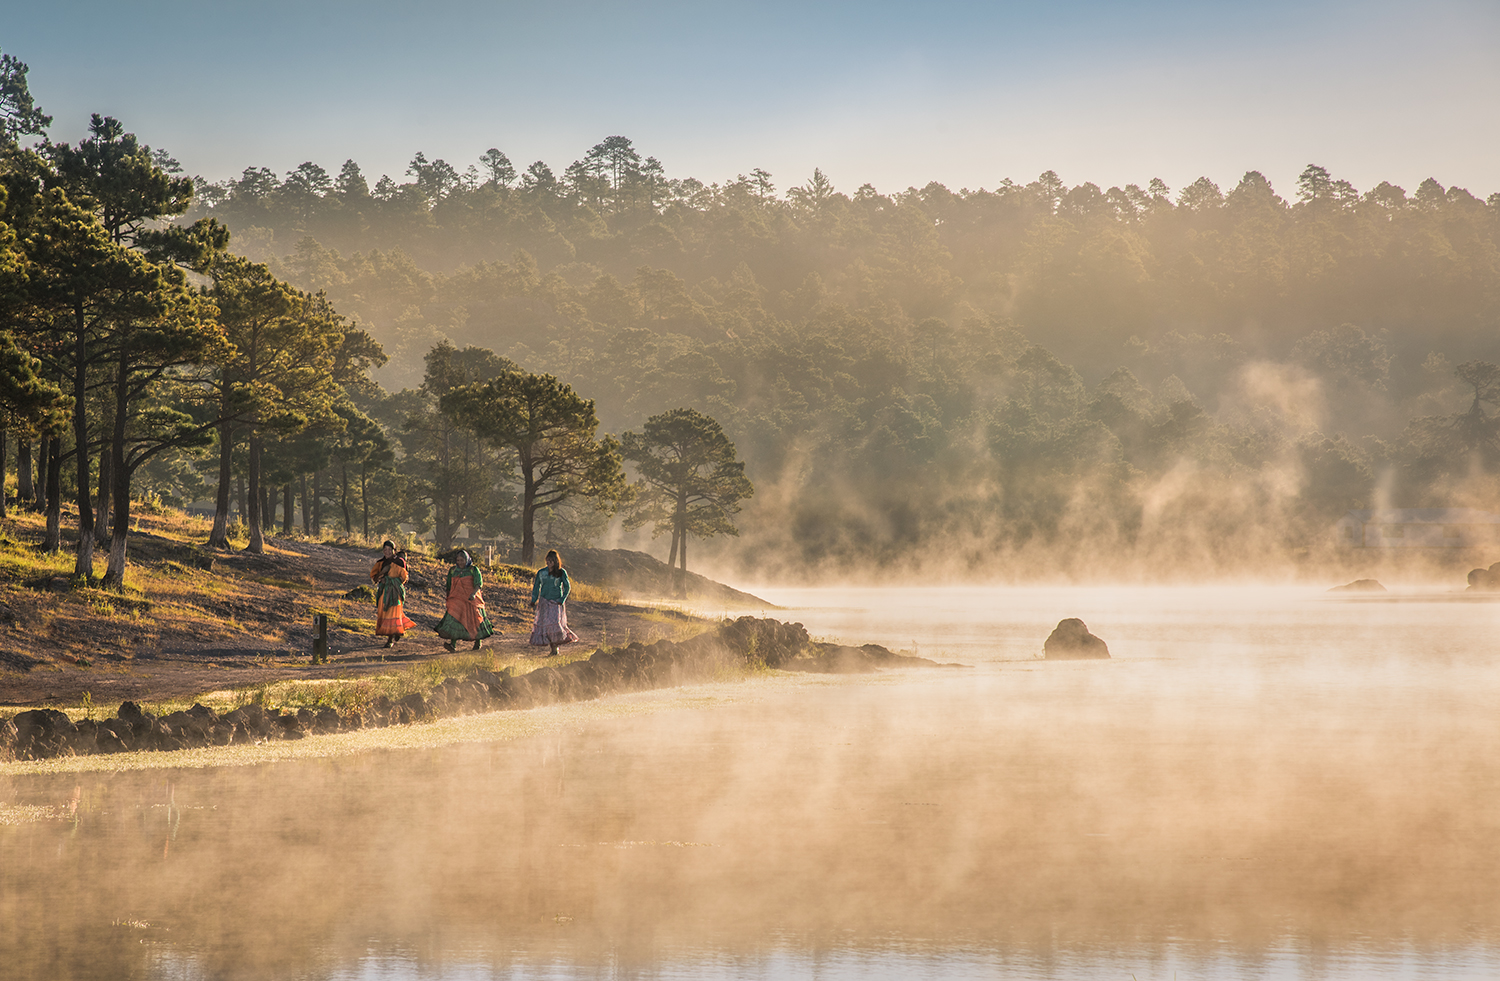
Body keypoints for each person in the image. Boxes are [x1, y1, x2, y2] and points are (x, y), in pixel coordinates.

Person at [435, 549, 495, 652]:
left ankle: (478, 642)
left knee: (475, 621)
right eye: (458, 560)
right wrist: (449, 597)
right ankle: (452, 645)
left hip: (471, 600)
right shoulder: (453, 570)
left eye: (462, 560)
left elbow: (478, 584)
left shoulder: (473, 570)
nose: (460, 562)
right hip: (457, 600)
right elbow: (449, 585)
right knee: (454, 620)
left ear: (466, 559)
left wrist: (473, 594)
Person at [529, 549, 578, 656]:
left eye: (551, 561)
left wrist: (562, 599)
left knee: (555, 624)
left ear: (555, 562)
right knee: (546, 625)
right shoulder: (541, 573)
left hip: (556, 602)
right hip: (544, 602)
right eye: (547, 561)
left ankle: (555, 648)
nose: (548, 563)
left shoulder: (561, 572)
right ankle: (552, 648)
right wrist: (534, 600)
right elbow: (536, 587)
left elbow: (567, 587)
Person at [370, 540, 416, 648]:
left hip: (395, 592)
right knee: (385, 614)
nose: (387, 552)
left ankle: (390, 640)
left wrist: (391, 580)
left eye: (389, 550)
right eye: (385, 550)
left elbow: (403, 578)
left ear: (394, 551)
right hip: (384, 592)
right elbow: (374, 576)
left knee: (393, 614)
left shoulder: (399, 562)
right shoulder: (380, 563)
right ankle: (397, 630)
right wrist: (381, 579)